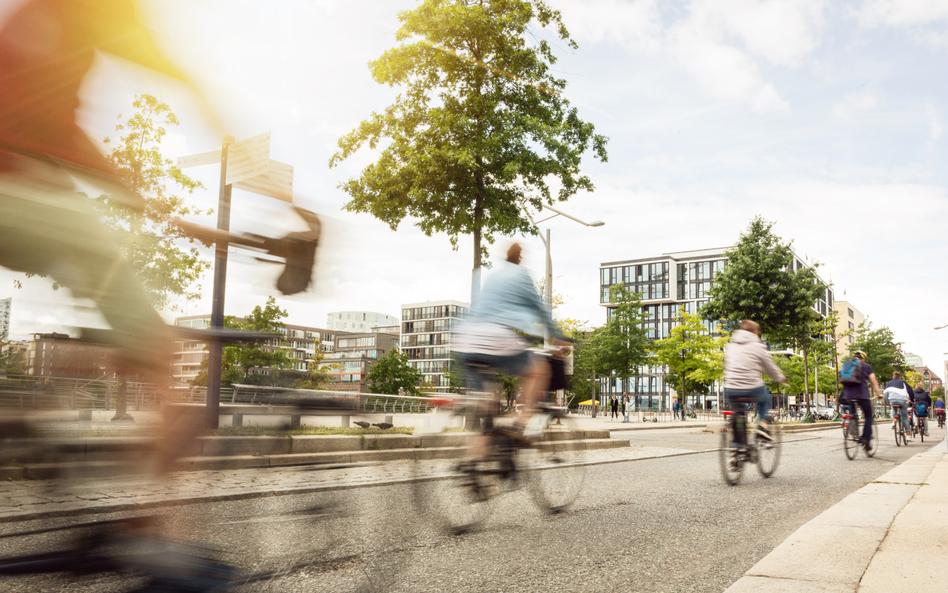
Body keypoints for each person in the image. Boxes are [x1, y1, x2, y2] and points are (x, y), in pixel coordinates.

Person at [454, 242, 565, 440]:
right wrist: (557, 338)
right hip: (497, 337)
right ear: (519, 258)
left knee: (487, 408)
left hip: (467, 341)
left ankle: (473, 464)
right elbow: (540, 309)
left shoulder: (493, 277)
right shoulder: (521, 275)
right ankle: (518, 423)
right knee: (539, 371)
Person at [723, 320, 787, 441]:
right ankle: (762, 427)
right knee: (766, 398)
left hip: (730, 388)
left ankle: (735, 450)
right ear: (755, 332)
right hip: (751, 387)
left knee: (738, 416)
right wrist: (781, 378)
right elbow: (771, 368)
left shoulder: (731, 346)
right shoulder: (758, 346)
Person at [840, 351, 882, 451]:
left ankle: (853, 431)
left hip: (848, 395)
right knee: (868, 416)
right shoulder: (867, 366)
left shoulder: (846, 364)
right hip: (862, 395)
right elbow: (874, 382)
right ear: (863, 358)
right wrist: (878, 394)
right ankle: (865, 439)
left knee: (853, 413)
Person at [883, 371, 914, 440]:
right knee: (905, 417)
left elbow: (885, 393)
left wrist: (888, 401)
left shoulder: (888, 383)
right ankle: (908, 436)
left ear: (893, 377)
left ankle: (894, 421)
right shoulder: (903, 382)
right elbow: (910, 391)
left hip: (893, 400)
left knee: (893, 407)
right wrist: (911, 399)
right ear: (900, 377)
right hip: (902, 401)